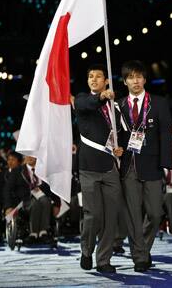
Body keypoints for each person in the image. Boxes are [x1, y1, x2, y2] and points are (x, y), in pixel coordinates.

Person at [117, 60, 172, 273]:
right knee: (133, 214)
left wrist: (166, 163)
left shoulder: (158, 103)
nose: (136, 80)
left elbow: (166, 133)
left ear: (145, 79)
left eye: (139, 76)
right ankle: (139, 256)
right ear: (125, 82)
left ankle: (143, 248)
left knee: (155, 213)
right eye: (131, 77)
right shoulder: (119, 105)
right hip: (128, 166)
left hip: (152, 166)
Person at [74, 64, 125, 273]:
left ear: (106, 80)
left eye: (98, 76)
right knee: (93, 215)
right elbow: (90, 104)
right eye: (90, 77)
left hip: (110, 168)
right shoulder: (82, 100)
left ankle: (103, 260)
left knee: (111, 217)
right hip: (88, 168)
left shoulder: (115, 107)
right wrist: (102, 97)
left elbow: (120, 132)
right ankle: (86, 250)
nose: (93, 79)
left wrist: (120, 147)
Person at [4, 156, 61, 242]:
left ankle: (43, 232)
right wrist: (8, 206)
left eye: (33, 155)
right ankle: (33, 233)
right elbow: (7, 190)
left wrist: (57, 203)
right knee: (36, 203)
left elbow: (53, 187)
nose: (30, 157)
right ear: (24, 158)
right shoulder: (17, 171)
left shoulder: (44, 170)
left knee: (45, 200)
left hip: (42, 197)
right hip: (24, 201)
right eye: (28, 155)